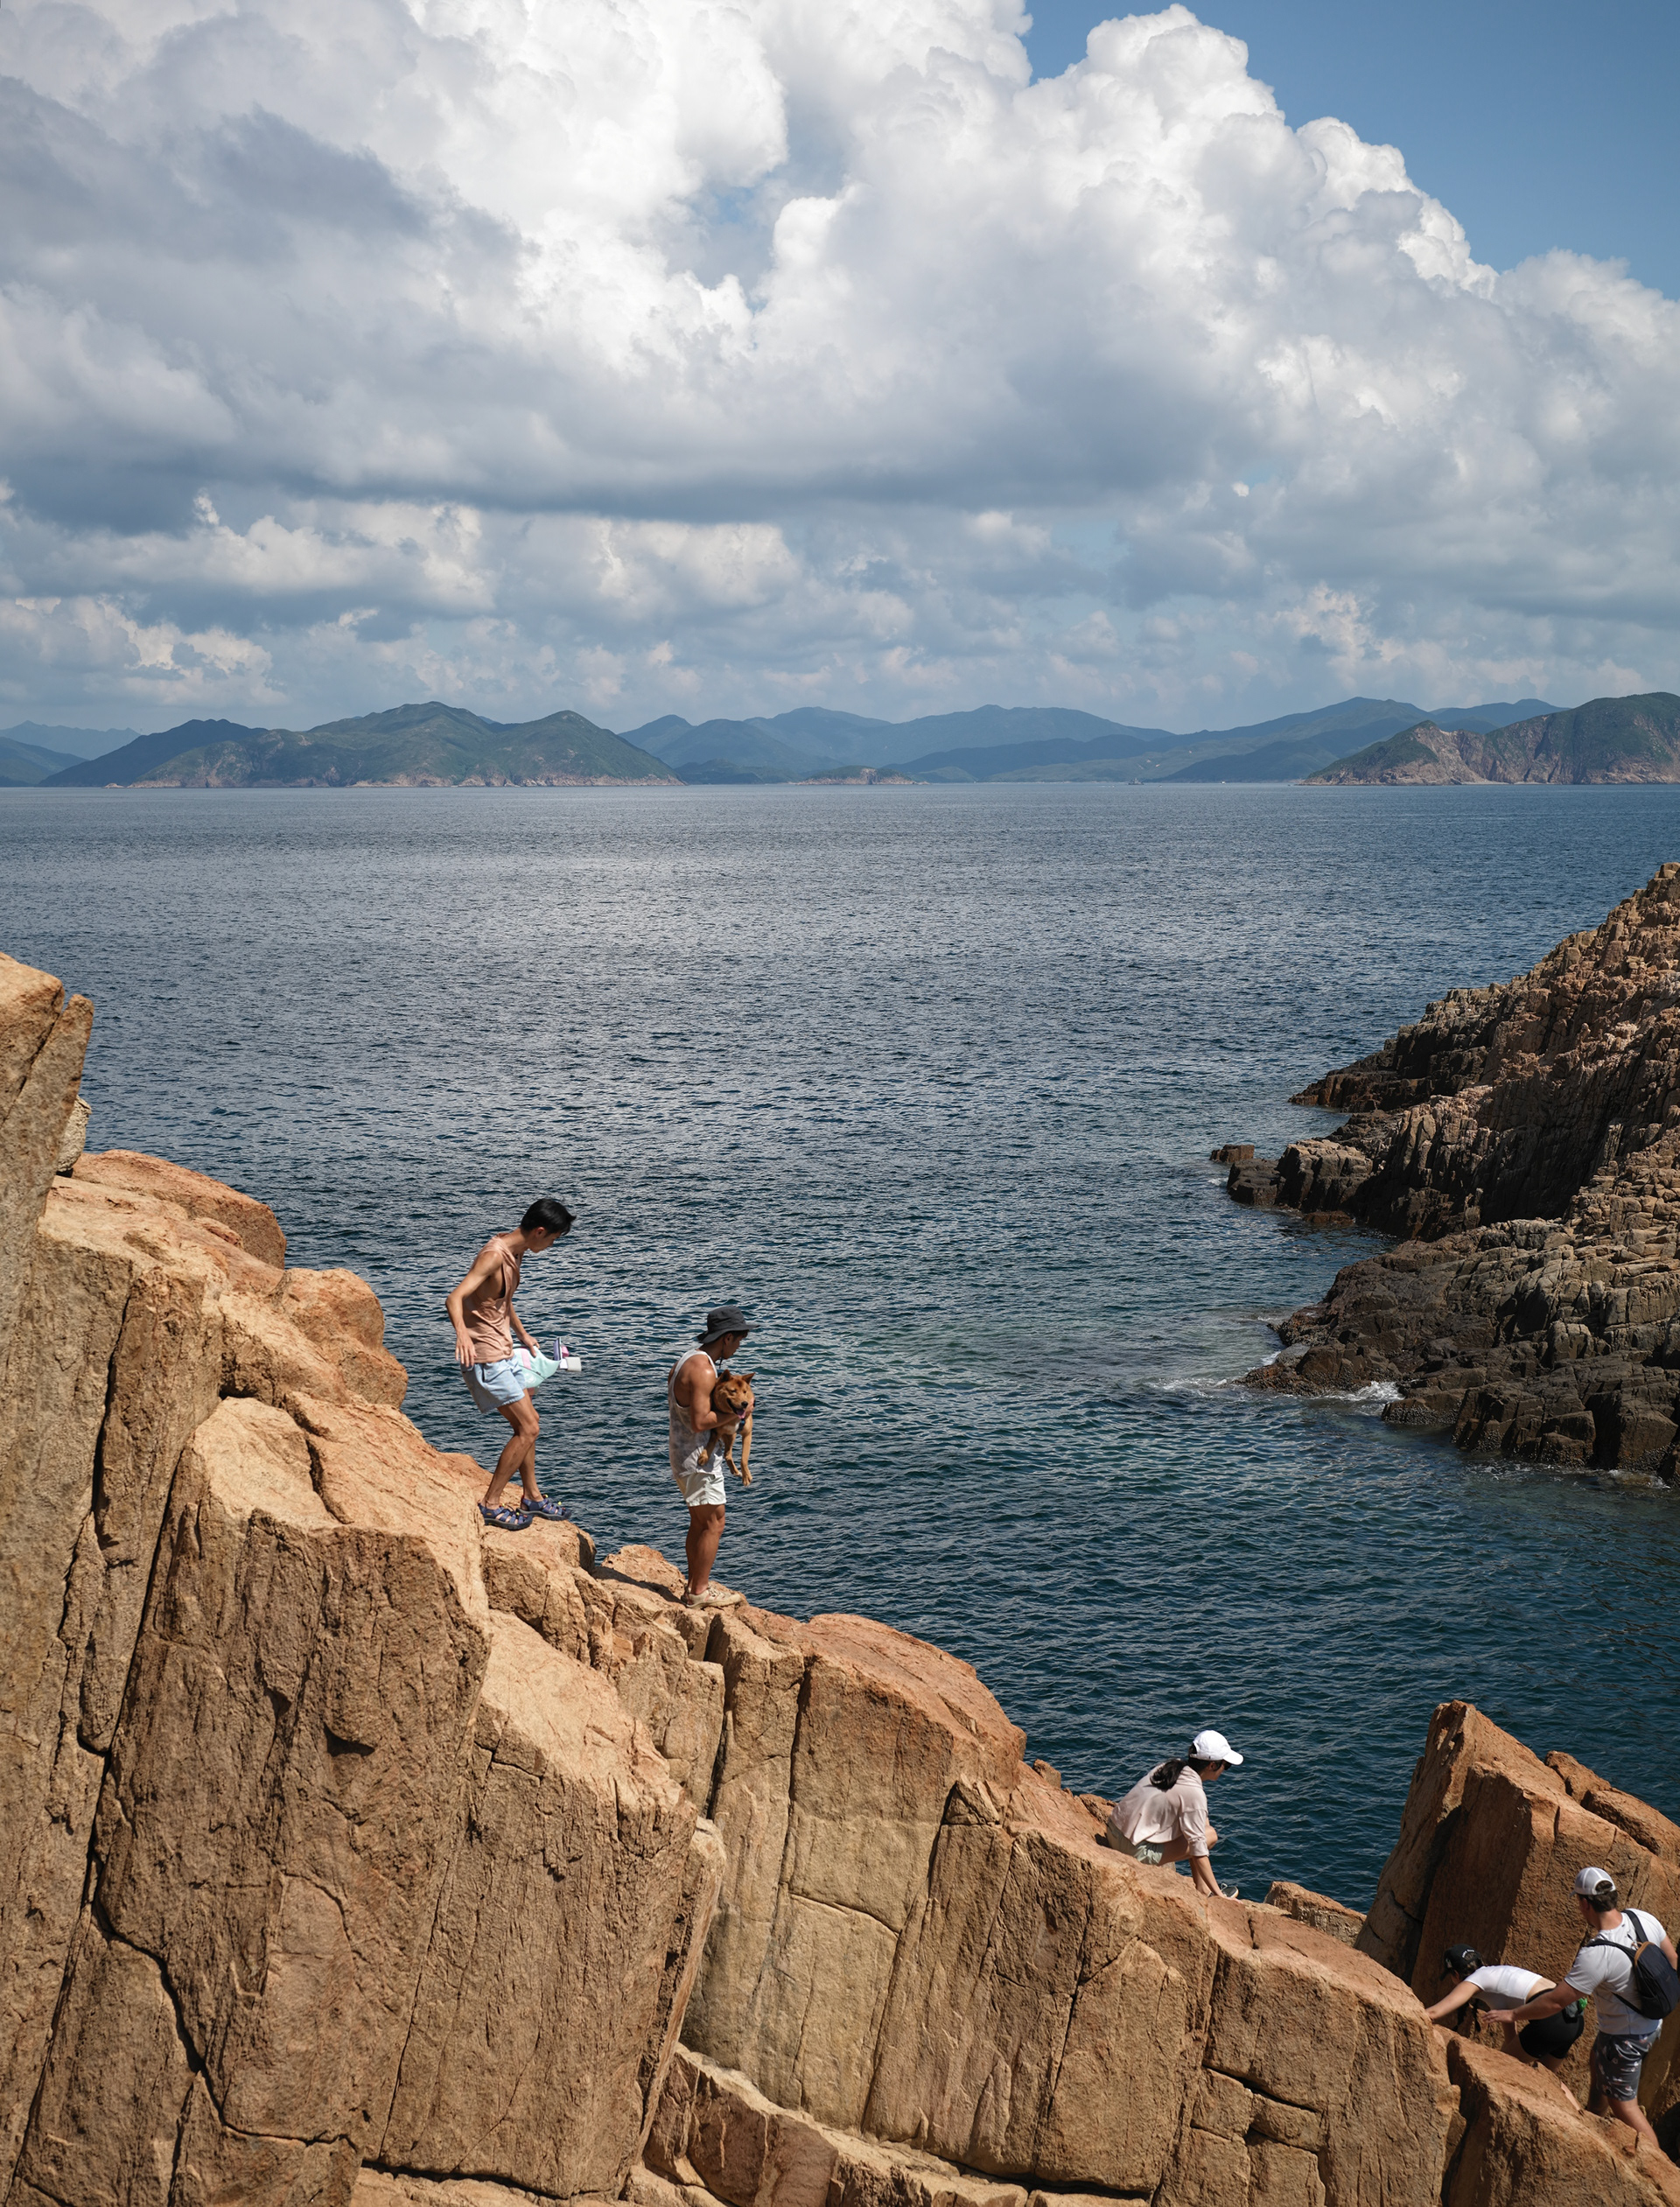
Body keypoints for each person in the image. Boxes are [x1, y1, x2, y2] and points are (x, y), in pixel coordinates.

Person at [1483, 1867, 1677, 2161]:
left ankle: (1659, 2168)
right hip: (1651, 2025)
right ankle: (1594, 2121)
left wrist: (1513, 2015)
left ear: (1585, 1904)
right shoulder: (1642, 1918)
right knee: (1597, 2060)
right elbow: (1673, 1961)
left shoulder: (1597, 1953)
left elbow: (1556, 2002)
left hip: (1625, 2040)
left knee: (1625, 2106)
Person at [446, 1198, 575, 1528]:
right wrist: (462, 1333)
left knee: (528, 1419)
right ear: (540, 1231)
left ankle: (531, 1497)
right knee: (530, 1427)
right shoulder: (493, 1256)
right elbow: (455, 1297)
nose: (552, 1245)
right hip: (485, 1357)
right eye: (553, 1239)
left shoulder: (516, 1249)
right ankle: (490, 1504)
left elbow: (502, 1301)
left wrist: (524, 1335)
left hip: (504, 1349)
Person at [668, 1305, 754, 1609]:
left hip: (682, 1456)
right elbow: (700, 1421)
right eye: (739, 1340)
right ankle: (700, 1592)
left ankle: (693, 1585)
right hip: (696, 1460)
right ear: (727, 1337)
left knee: (699, 1523)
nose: (739, 1346)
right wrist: (739, 1411)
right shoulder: (705, 1370)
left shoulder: (686, 1360)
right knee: (715, 1523)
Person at [1424, 1944, 1582, 2102]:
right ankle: (1579, 2115)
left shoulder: (1474, 1981)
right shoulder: (1496, 1974)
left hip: (1551, 2021)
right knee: (1549, 2080)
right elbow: (1510, 2039)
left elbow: (1434, 2013)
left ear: (1456, 1974)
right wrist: (1506, 2056)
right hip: (1573, 2019)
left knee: (1497, 2070)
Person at [1104, 1730, 1243, 1899]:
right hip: (1132, 1850)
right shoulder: (1194, 1793)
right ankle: (1208, 1892)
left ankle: (1201, 1887)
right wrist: (1220, 1896)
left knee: (1202, 1825)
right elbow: (1198, 1849)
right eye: (1225, 1766)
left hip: (1113, 1830)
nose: (1225, 1770)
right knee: (1210, 1836)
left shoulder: (1172, 1766)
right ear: (1212, 1765)